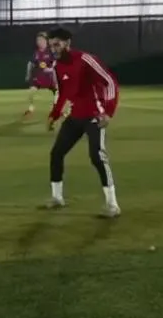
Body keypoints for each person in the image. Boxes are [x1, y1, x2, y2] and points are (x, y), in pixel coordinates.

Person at [44, 28, 121, 217]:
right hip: (75, 116)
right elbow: (61, 93)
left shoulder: (86, 59)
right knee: (56, 153)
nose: (54, 49)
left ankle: (112, 205)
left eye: (57, 44)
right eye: (51, 45)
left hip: (94, 116)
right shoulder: (57, 66)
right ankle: (57, 198)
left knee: (97, 157)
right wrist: (54, 115)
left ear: (67, 43)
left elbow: (110, 81)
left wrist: (108, 112)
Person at [22, 31, 58, 118]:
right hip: (39, 78)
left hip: (50, 78)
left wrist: (50, 69)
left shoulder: (50, 51)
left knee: (57, 92)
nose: (39, 42)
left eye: (40, 40)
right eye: (37, 40)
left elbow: (55, 63)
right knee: (31, 92)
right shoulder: (36, 53)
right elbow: (31, 63)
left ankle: (56, 109)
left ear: (45, 41)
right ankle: (31, 108)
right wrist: (28, 74)